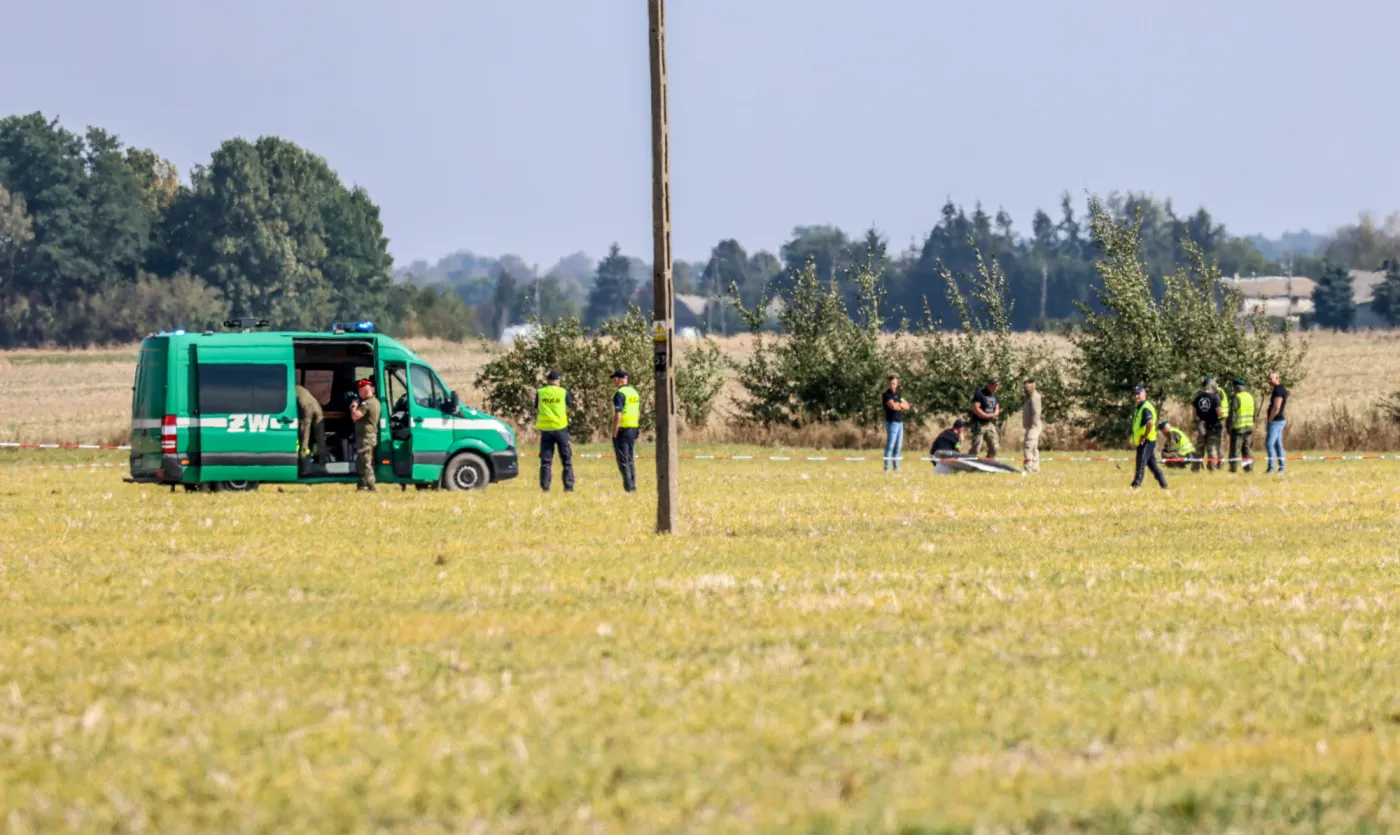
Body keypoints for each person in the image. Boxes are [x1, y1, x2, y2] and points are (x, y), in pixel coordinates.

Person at [535, 370, 575, 493]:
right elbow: (569, 409)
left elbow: (537, 409)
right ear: (558, 381)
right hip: (560, 429)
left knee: (546, 462)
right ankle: (568, 487)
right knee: (566, 460)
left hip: (546, 430)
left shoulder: (540, 393)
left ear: (548, 381)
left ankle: (545, 487)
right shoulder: (563, 393)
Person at [1130, 385, 1168, 490]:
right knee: (1152, 465)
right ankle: (1164, 485)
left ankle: (1135, 486)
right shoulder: (1140, 407)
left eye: (1139, 394)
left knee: (1140, 464)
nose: (1137, 396)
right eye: (1135, 394)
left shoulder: (1145, 408)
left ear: (1144, 395)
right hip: (1146, 440)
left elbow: (1150, 423)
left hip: (1146, 440)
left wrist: (1144, 436)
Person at [610, 369, 640, 493]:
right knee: (630, 459)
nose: (614, 382)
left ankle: (629, 488)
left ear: (617, 379)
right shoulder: (634, 392)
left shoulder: (620, 394)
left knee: (623, 460)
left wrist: (614, 432)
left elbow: (618, 415)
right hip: (633, 428)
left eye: (614, 379)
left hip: (623, 430)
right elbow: (638, 412)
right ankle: (632, 485)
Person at [349, 377, 380, 491]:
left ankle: (372, 486)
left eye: (359, 391)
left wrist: (353, 407)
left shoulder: (367, 403)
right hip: (369, 436)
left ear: (364, 391)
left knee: (366, 462)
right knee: (362, 461)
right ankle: (362, 484)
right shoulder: (375, 401)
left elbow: (355, 416)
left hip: (366, 437)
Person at [1191, 377, 1224, 473]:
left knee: (1199, 447)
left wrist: (1196, 419)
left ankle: (1195, 468)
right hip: (1213, 426)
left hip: (1202, 425)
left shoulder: (1198, 397)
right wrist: (1221, 417)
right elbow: (1219, 412)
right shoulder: (1215, 398)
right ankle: (1212, 468)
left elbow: (1193, 410)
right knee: (1212, 448)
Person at [295, 382, 327, 473]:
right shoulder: (300, 388)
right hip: (317, 407)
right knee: (321, 439)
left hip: (307, 409)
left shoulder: (289, 389)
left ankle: (303, 468)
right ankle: (323, 466)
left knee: (304, 440)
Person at [881, 375, 910, 471]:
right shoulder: (887, 395)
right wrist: (898, 405)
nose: (892, 385)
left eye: (894, 383)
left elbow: (907, 406)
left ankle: (896, 467)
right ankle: (887, 467)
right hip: (892, 423)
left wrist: (900, 404)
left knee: (898, 446)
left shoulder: (898, 396)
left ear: (897, 384)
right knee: (891, 445)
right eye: (890, 384)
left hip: (900, 423)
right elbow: (893, 407)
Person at [1227, 378, 1255, 474]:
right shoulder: (1250, 397)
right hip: (1249, 427)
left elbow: (1232, 415)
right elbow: (1253, 413)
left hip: (1238, 428)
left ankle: (1233, 469)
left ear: (1236, 388)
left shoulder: (1236, 398)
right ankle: (1248, 468)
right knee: (1247, 449)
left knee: (1235, 449)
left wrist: (1229, 427)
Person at [970, 378, 1001, 459]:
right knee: (976, 447)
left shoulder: (995, 394)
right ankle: (968, 461)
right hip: (979, 424)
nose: (996, 388)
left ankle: (989, 462)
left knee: (995, 447)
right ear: (989, 385)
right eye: (994, 386)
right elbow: (976, 408)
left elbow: (997, 407)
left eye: (997, 386)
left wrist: (995, 414)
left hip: (989, 424)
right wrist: (988, 415)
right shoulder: (979, 393)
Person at [1265, 370, 1289, 474]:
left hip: (1276, 421)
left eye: (1271, 378)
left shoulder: (1278, 390)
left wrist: (1270, 418)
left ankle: (1271, 468)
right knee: (1278, 445)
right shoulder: (1279, 389)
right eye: (1268, 379)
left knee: (1269, 444)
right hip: (1279, 420)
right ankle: (1281, 468)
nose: (1269, 381)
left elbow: (1276, 407)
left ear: (1277, 378)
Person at [1021, 379, 1043, 473]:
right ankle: (1035, 468)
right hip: (1030, 426)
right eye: (1025, 386)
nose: (1026, 388)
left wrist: (1032, 425)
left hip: (1033, 426)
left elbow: (1036, 412)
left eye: (1028, 386)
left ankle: (1029, 467)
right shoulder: (1028, 397)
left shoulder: (1034, 397)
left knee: (1028, 446)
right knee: (1033, 447)